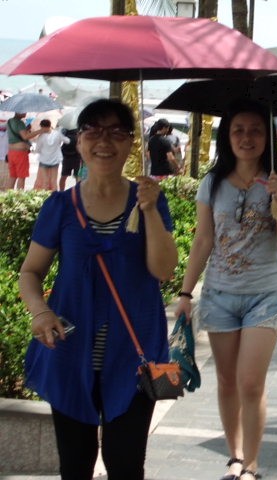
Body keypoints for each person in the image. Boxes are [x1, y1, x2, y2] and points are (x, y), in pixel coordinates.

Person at [18, 99, 178, 480]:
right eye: (93, 131)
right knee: (75, 465)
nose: (104, 141)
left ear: (131, 143)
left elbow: (164, 270)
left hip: (138, 354)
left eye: (117, 132)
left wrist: (150, 210)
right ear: (79, 140)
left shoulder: (151, 201)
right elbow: (30, 272)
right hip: (71, 354)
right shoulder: (60, 206)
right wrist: (40, 311)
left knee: (127, 465)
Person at [175, 98, 277, 480]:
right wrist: (185, 294)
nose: (247, 138)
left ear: (268, 137)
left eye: (256, 130)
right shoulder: (212, 183)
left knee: (250, 382)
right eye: (238, 130)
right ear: (226, 137)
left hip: (265, 295)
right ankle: (235, 456)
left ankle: (252, 464)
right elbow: (203, 240)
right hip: (219, 295)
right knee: (227, 381)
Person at [6, 112, 43, 189]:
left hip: (11, 152)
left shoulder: (10, 121)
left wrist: (26, 129)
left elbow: (18, 133)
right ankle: (20, 195)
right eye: (23, 111)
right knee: (21, 176)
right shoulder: (20, 123)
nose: (25, 112)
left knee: (13, 176)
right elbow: (25, 137)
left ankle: (8, 195)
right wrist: (40, 131)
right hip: (20, 153)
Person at [32, 119, 69, 191]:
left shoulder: (41, 136)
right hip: (55, 160)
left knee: (45, 181)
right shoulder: (57, 134)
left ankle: (46, 196)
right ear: (50, 125)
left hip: (44, 160)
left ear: (42, 127)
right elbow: (67, 141)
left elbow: (38, 149)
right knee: (54, 181)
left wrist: (35, 151)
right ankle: (55, 195)